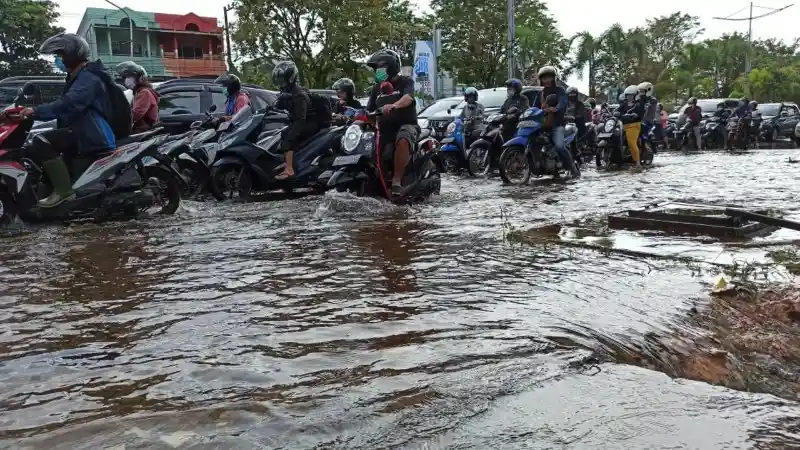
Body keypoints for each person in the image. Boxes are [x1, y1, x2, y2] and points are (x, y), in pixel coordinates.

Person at [0, 33, 116, 208]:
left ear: (72, 55)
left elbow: (68, 104)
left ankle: (63, 192)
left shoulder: (89, 78)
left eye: (60, 56)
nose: (57, 60)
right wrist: (26, 111)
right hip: (80, 130)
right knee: (31, 147)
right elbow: (62, 104)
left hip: (90, 133)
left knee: (41, 140)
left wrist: (36, 111)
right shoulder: (77, 76)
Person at [365, 48, 419, 195]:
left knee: (403, 136)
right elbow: (368, 110)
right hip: (384, 131)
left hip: (406, 126)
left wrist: (394, 105)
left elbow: (408, 98)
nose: (379, 70)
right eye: (376, 68)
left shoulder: (405, 81)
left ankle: (396, 181)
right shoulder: (376, 89)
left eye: (382, 66)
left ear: (392, 65)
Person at [533, 66, 580, 178]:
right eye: (544, 78)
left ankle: (572, 168)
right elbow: (534, 106)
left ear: (554, 78)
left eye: (549, 77)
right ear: (541, 80)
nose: (547, 80)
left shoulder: (560, 91)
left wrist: (556, 108)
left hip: (557, 125)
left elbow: (562, 102)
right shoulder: (540, 93)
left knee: (559, 146)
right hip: (542, 126)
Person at [272, 61, 316, 180]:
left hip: (309, 122)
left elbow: (301, 118)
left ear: (291, 78)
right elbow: (279, 105)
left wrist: (292, 132)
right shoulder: (287, 91)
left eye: (283, 80)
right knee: (281, 134)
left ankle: (290, 169)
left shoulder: (299, 94)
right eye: (279, 80)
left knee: (288, 138)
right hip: (299, 120)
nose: (281, 83)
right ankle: (288, 162)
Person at [116, 61, 158, 133]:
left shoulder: (144, 93)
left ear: (140, 78)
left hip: (144, 132)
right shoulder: (137, 93)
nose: (127, 80)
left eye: (129, 77)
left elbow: (135, 114)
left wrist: (117, 121)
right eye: (125, 77)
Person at [621, 84, 645, 172]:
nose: (629, 97)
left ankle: (638, 164)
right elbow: (618, 110)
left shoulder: (638, 104)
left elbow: (640, 113)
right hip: (622, 125)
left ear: (635, 95)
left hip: (634, 125)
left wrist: (634, 115)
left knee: (631, 142)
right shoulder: (624, 104)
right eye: (628, 95)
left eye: (631, 95)